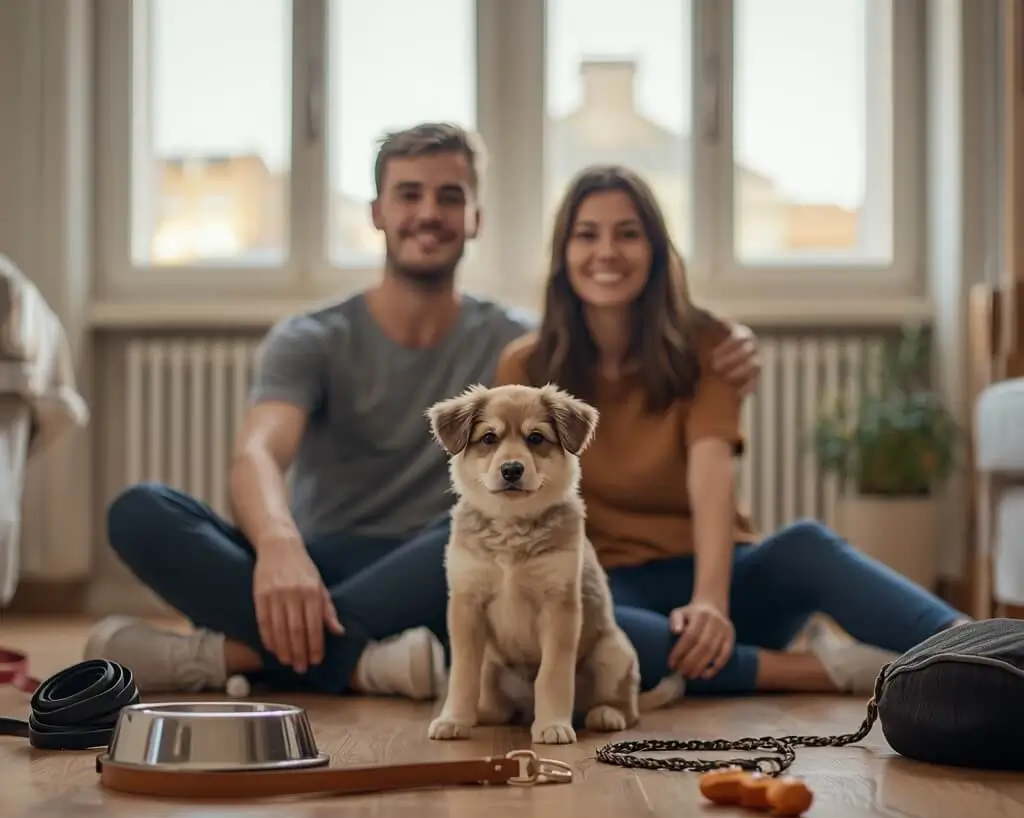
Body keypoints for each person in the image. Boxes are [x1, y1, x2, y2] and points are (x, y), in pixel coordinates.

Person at [86, 124, 762, 697]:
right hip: (317, 563)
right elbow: (257, 452)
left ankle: (225, 658)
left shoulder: (521, 347)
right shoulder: (313, 337)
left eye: (450, 196)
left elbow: (621, 351)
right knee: (141, 511)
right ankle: (369, 664)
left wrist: (729, 345)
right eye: (409, 194)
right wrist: (280, 547)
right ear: (377, 212)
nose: (429, 213)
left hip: (443, 575)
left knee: (504, 550)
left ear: (476, 218)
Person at [492, 164, 970, 701]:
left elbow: (711, 475)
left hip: (721, 578)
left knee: (806, 546)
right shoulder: (526, 366)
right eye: (587, 235)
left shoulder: (710, 344)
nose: (607, 252)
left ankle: (981, 651)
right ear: (563, 253)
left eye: (628, 233)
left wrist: (710, 602)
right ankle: (828, 671)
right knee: (578, 622)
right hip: (607, 583)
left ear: (656, 251)